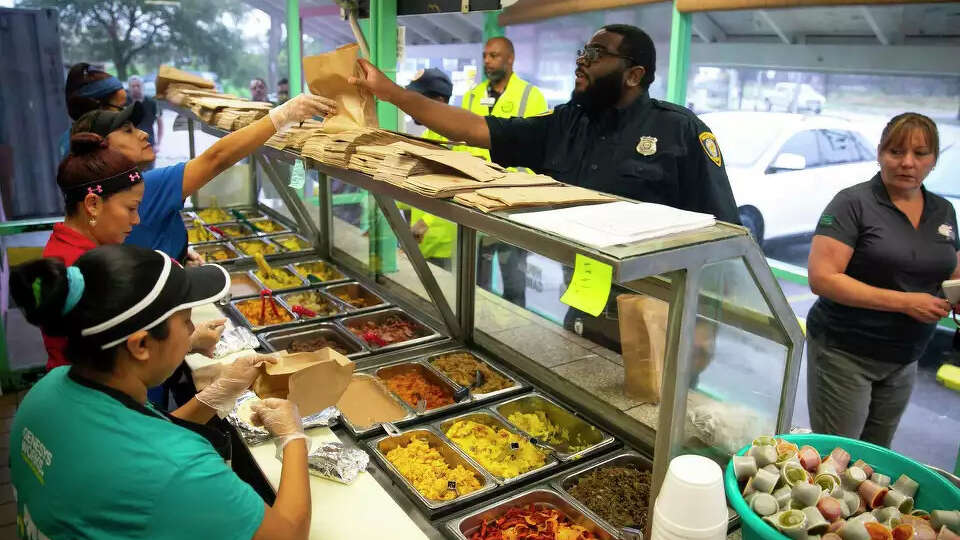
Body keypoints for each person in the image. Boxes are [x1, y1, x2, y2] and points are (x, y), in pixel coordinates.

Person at [9, 245, 311, 539]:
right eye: (185, 321)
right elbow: (288, 534)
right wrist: (293, 437)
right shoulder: (180, 470)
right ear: (140, 345)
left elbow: (143, 437)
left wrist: (217, 394)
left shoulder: (46, 390)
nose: (193, 330)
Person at [349, 24, 738, 222]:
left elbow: (727, 233)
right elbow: (473, 129)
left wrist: (701, 331)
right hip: (582, 295)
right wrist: (392, 93)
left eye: (596, 54)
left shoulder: (680, 131)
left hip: (659, 306)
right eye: (582, 51)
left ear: (634, 75)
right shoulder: (568, 123)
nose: (580, 60)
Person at [806, 112, 959, 448]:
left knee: (875, 457)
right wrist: (907, 303)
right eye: (896, 152)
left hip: (905, 357)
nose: (907, 163)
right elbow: (823, 278)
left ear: (934, 159)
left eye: (920, 154)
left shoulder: (943, 211)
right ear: (880, 153)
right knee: (838, 455)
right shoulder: (853, 203)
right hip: (845, 352)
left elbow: (952, 269)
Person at [70, 92, 336, 262]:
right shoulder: (145, 187)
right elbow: (216, 159)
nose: (143, 134)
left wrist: (179, 254)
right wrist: (282, 116)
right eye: (127, 131)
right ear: (103, 149)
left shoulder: (118, 191)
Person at [41, 133, 224, 374]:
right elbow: (123, 360)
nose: (137, 220)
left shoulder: (70, 247)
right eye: (131, 208)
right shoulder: (86, 271)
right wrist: (188, 342)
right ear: (92, 204)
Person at [401, 68, 457, 270]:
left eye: (418, 99)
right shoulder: (427, 137)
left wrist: (425, 221)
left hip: (443, 245)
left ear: (439, 102)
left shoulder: (459, 142)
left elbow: (458, 190)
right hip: (421, 240)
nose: (410, 106)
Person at [58, 63, 128, 158]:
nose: (126, 114)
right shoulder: (81, 150)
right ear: (99, 109)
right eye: (121, 108)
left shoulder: (72, 139)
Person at [126, 75, 164, 153]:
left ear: (143, 87)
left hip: (148, 144)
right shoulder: (124, 103)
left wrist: (158, 144)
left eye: (138, 86)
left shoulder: (152, 103)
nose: (135, 88)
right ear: (129, 88)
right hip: (128, 145)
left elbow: (160, 124)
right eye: (133, 86)